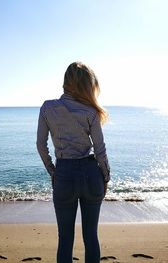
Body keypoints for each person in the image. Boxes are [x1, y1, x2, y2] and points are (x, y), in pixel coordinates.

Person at [36, 61, 110, 263]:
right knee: (91, 237)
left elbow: (41, 145)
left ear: (65, 82)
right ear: (87, 85)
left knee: (65, 239)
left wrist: (53, 172)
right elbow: (100, 150)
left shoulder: (47, 108)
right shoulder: (90, 112)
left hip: (64, 175)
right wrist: (106, 177)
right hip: (90, 174)